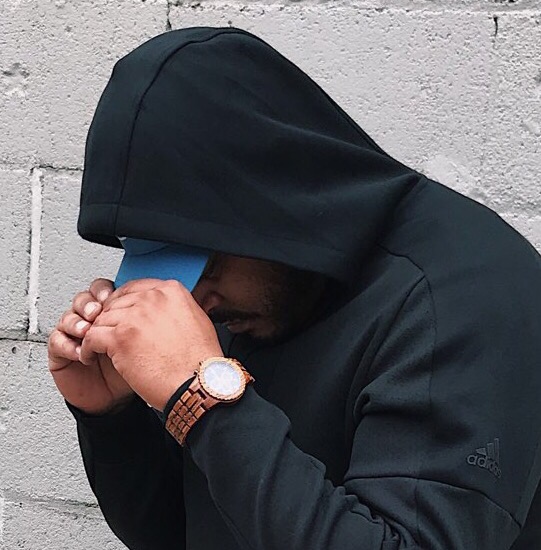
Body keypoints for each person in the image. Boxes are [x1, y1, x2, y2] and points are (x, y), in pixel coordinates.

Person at [47, 26, 541, 550]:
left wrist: (205, 400)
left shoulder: (464, 301)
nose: (196, 302)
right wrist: (114, 421)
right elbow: (185, 533)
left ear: (273, 208)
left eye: (203, 267)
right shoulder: (264, 288)